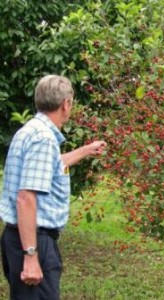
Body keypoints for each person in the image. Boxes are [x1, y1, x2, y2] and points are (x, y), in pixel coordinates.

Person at [0, 75, 107, 300]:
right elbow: (26, 198)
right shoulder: (43, 139)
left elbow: (52, 165)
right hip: (33, 241)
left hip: (19, 238)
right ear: (66, 104)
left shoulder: (31, 131)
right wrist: (31, 255)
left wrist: (87, 150)